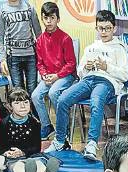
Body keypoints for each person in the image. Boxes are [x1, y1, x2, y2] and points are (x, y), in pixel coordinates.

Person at [48, 10, 128, 161]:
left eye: (107, 28)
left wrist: (107, 68)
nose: (103, 32)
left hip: (107, 82)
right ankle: (60, 140)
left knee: (96, 101)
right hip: (88, 79)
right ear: (96, 28)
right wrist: (86, 67)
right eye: (100, 28)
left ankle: (92, 143)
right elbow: (79, 71)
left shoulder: (119, 48)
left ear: (114, 28)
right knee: (63, 99)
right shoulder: (92, 47)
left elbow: (125, 75)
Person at [0, 87, 62, 172]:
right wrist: (6, 152)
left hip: (31, 155)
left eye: (26, 102)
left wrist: (23, 152)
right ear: (9, 106)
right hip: (14, 159)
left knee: (39, 164)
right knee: (18, 168)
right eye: (17, 103)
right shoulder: (3, 124)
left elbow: (36, 147)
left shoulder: (34, 123)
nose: (23, 106)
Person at [32, 1, 76, 139]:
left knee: (53, 93)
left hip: (66, 75)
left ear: (58, 19)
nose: (49, 21)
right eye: (46, 18)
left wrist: (57, 76)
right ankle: (46, 126)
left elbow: (71, 64)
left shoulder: (65, 38)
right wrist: (44, 75)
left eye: (52, 18)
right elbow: (40, 63)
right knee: (35, 95)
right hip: (49, 76)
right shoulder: (39, 40)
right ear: (42, 19)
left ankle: (63, 128)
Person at [0, 0, 41, 94]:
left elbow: (39, 34)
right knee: (18, 91)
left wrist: (42, 56)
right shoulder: (1, 10)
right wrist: (2, 59)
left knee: (33, 90)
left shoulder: (29, 8)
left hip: (31, 55)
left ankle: (32, 109)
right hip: (13, 57)